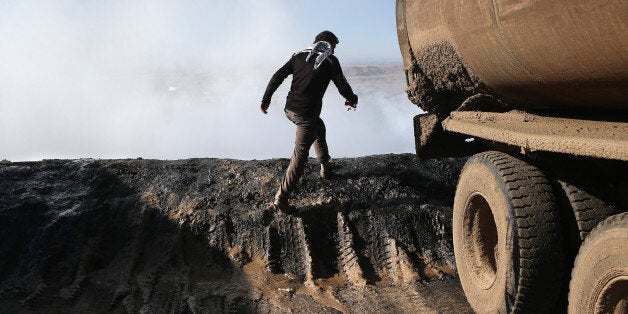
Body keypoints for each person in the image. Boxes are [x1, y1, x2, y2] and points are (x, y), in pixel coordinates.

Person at [260, 30, 358, 212]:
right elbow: (342, 85)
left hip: (289, 110)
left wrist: (266, 99)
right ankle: (281, 198)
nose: (334, 50)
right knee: (300, 157)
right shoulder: (330, 61)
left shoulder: (298, 56)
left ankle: (325, 166)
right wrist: (352, 98)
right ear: (330, 44)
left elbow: (277, 76)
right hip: (305, 116)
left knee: (319, 126)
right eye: (334, 46)